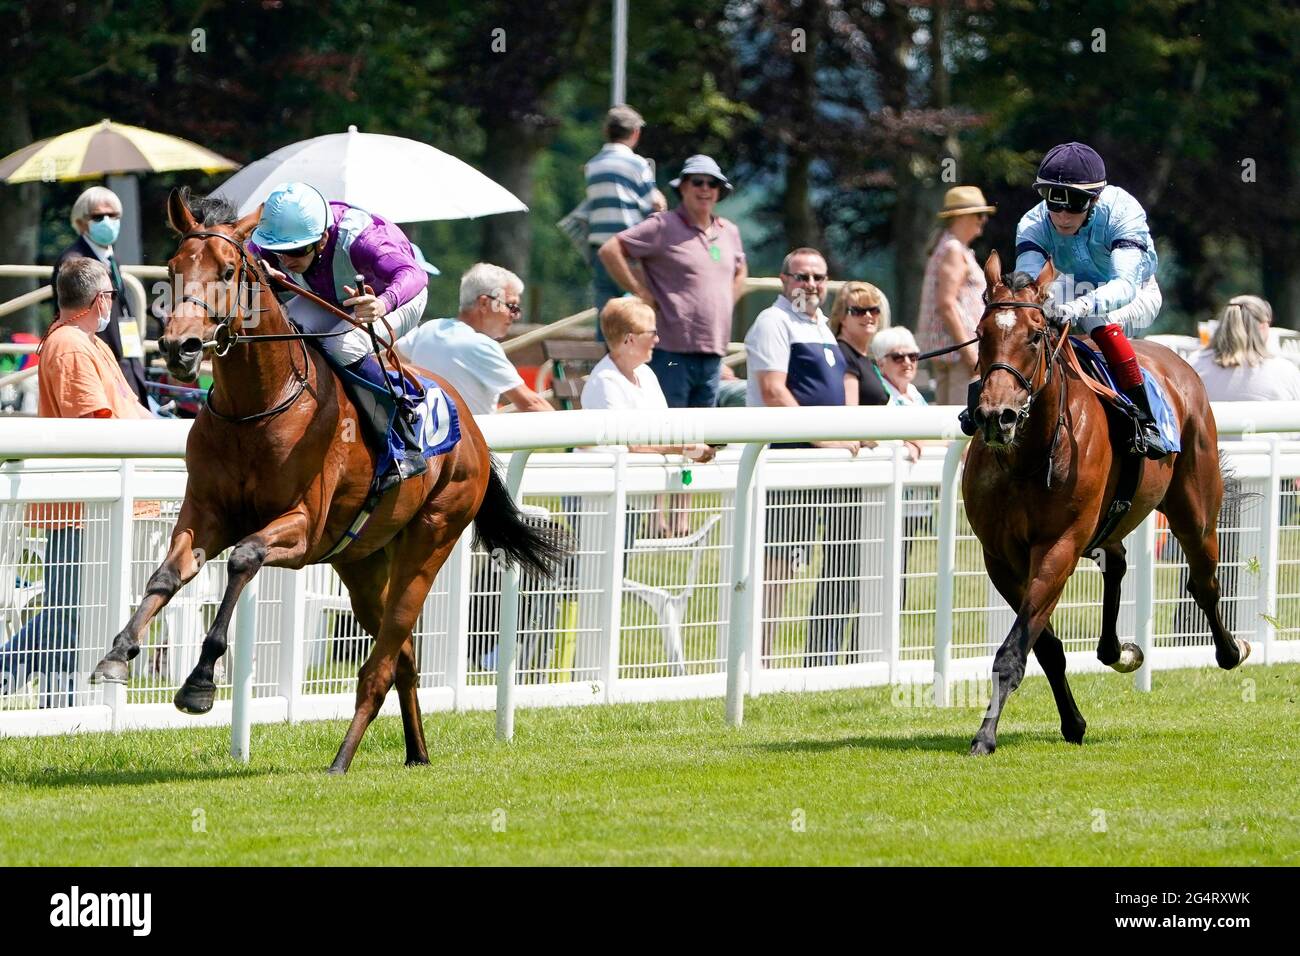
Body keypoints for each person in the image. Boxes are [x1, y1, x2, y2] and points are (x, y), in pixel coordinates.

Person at [2, 259, 154, 708]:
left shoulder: (86, 343)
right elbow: (95, 426)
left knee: (76, 618)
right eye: (111, 294)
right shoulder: (71, 345)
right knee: (65, 619)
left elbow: (128, 411)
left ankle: (60, 709)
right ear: (100, 299)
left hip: (95, 505)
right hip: (83, 510)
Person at [987, 142, 1168, 459]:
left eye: (1073, 207)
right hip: (1071, 286)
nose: (1061, 216)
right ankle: (986, 395)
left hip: (1134, 291)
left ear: (1095, 199)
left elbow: (1123, 285)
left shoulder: (1123, 212)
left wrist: (1078, 307)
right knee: (1018, 318)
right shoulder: (1033, 222)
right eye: (1054, 207)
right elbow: (1029, 281)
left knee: (1097, 320)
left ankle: (1146, 420)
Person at [247, 182, 430, 484]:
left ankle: (402, 441)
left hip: (394, 297)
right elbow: (246, 256)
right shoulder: (278, 237)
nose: (286, 260)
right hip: (334, 295)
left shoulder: (364, 241)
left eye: (294, 250)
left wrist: (381, 305)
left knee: (343, 348)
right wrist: (261, 267)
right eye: (277, 251)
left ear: (322, 239)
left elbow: (414, 275)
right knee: (286, 332)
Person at [745, 248, 861, 667]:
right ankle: (758, 662)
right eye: (802, 277)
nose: (810, 285)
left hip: (822, 466)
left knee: (809, 567)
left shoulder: (820, 327)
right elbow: (775, 393)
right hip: (786, 464)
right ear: (783, 280)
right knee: (775, 569)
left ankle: (806, 661)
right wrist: (824, 441)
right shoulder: (773, 323)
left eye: (818, 277)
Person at [598, 154, 747, 408]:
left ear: (719, 191)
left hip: (713, 349)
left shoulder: (728, 230)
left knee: (705, 436)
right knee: (671, 430)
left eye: (712, 184)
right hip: (670, 351)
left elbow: (741, 270)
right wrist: (641, 292)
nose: (705, 189)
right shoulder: (662, 225)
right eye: (697, 182)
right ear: (684, 187)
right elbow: (610, 250)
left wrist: (724, 302)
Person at [581, 298, 716, 538]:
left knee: (612, 569)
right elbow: (633, 445)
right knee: (595, 573)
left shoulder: (645, 373)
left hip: (627, 492)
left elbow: (662, 429)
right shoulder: (605, 382)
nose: (657, 339)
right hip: (599, 493)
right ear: (630, 338)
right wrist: (686, 449)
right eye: (652, 332)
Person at [395, 263, 551, 415]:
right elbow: (531, 403)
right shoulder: (482, 346)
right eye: (511, 306)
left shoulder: (429, 328)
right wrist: (573, 436)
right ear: (484, 303)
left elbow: (390, 357)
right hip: (473, 439)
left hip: (423, 437)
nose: (515, 315)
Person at [51, 186, 150, 409]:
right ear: (81, 222)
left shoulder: (110, 256)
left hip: (125, 361)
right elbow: (77, 319)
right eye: (98, 216)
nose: (107, 220)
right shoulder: (74, 263)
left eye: (113, 215)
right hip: (99, 364)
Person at [584, 105, 667, 325]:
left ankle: (607, 356)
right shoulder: (637, 164)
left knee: (607, 315)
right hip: (629, 250)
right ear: (635, 133)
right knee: (638, 315)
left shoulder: (592, 165)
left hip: (599, 250)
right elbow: (654, 202)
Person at [874, 326, 935, 609]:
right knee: (879, 581)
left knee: (898, 583)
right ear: (880, 362)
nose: (908, 362)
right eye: (898, 357)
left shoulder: (913, 393)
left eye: (913, 355)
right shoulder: (880, 391)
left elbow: (931, 437)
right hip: (882, 505)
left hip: (914, 504)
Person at [916, 186, 994, 405]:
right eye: (979, 214)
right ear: (962, 217)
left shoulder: (949, 246)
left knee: (947, 423)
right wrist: (969, 352)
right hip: (959, 353)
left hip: (950, 352)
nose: (984, 220)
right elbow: (946, 304)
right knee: (960, 423)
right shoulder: (953, 250)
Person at [830, 281, 890, 406]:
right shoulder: (843, 355)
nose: (868, 316)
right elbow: (851, 414)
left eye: (874, 310)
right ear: (842, 317)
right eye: (858, 311)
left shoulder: (861, 357)